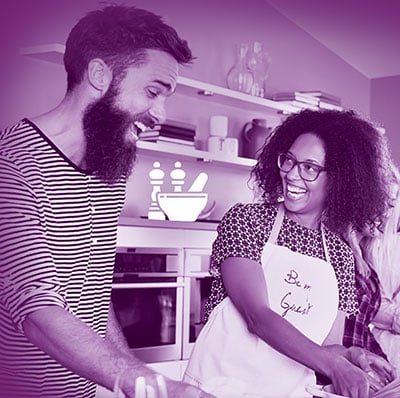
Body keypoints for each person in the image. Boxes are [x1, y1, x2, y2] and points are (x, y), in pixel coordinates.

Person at [0, 5, 212, 398]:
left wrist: (135, 384)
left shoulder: (108, 168)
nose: (160, 114)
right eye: (152, 92)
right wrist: (162, 388)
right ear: (99, 75)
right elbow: (39, 313)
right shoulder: (13, 164)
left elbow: (93, 299)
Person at [183, 109, 396, 397]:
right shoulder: (247, 221)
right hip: (220, 388)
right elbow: (257, 316)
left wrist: (349, 354)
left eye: (310, 168)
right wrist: (334, 366)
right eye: (289, 161)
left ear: (339, 179)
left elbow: (321, 347)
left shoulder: (340, 256)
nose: (292, 175)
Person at [347, 166, 400, 374]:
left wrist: (385, 367)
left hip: (364, 362)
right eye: (381, 202)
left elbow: (361, 332)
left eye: (391, 206)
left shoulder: (367, 256)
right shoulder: (337, 248)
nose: (386, 215)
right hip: (344, 367)